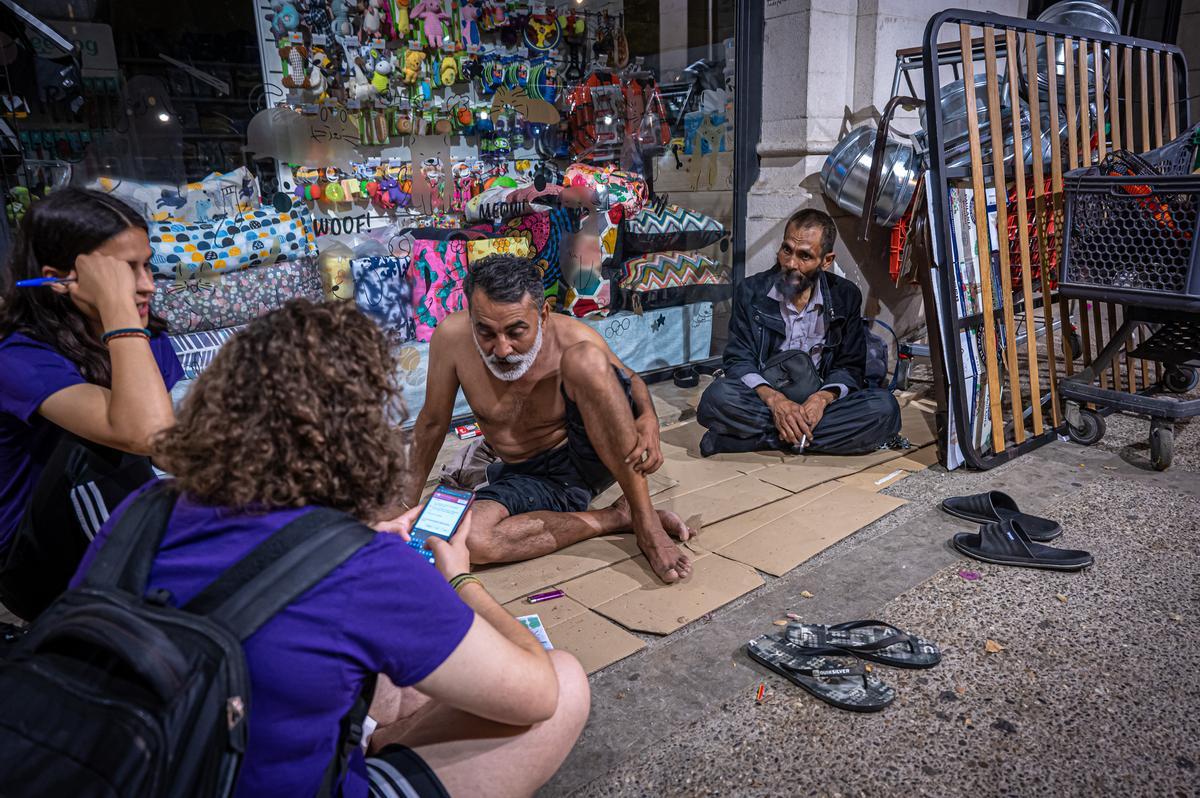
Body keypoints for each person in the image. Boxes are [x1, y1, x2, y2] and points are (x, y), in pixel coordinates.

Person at [71, 300, 590, 798]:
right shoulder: (363, 571)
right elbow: (537, 693)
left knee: (391, 673)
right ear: (360, 433)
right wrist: (459, 579)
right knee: (564, 684)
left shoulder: (145, 504)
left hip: (124, 766)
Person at [401, 254, 695, 584]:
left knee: (586, 360)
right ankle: (614, 517)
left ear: (542, 315)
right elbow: (431, 422)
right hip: (528, 477)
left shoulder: (571, 335)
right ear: (471, 316)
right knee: (471, 541)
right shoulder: (452, 338)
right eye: (485, 331)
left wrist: (650, 420)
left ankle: (645, 522)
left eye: (516, 331)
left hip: (593, 454)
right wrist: (404, 507)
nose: (501, 349)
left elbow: (631, 378)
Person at [0, 188, 182, 620]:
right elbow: (145, 435)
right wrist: (119, 310)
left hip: (123, 532)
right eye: (125, 273)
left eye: (147, 265)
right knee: (110, 439)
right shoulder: (17, 359)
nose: (147, 285)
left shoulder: (147, 337)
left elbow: (171, 445)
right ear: (61, 279)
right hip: (36, 565)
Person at [697, 208, 901, 456]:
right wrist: (776, 401)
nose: (791, 263)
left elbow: (850, 367)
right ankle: (803, 437)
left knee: (885, 408)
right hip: (765, 398)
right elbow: (739, 360)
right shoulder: (752, 291)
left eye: (805, 256)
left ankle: (753, 440)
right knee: (717, 398)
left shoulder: (845, 296)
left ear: (826, 261)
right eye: (786, 250)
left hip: (818, 402)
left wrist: (822, 399)